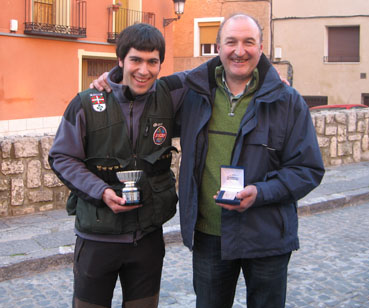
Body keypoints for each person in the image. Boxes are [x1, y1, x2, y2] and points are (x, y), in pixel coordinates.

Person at [93, 14, 325, 308]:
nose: (239, 50)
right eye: (231, 42)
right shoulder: (193, 91)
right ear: (218, 47)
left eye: (248, 42)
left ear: (261, 47)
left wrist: (261, 192)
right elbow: (148, 87)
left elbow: (308, 169)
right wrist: (113, 78)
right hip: (209, 237)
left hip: (267, 237)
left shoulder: (287, 100)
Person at [49, 23, 186, 308]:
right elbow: (62, 157)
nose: (144, 70)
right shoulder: (86, 103)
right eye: (136, 59)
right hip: (97, 237)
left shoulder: (170, 95)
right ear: (121, 59)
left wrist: (268, 76)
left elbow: (222, 66)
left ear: (161, 63)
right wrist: (101, 191)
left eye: (153, 61)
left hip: (147, 237)